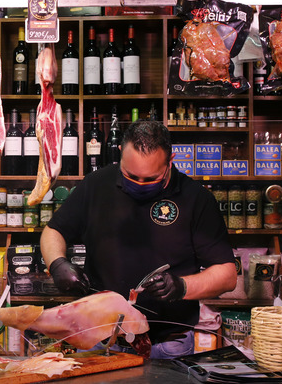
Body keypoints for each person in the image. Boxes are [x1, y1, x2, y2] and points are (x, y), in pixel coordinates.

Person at [40, 120, 236, 359]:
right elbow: (53, 231)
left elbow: (227, 275)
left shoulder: (197, 199)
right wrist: (57, 263)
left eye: (151, 178)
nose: (140, 184)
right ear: (121, 153)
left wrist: (183, 286)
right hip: (99, 340)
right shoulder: (95, 185)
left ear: (170, 161)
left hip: (168, 346)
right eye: (131, 176)